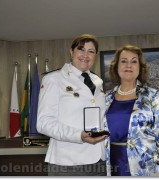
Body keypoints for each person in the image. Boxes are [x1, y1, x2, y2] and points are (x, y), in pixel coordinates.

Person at [37, 34, 107, 176]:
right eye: (81, 49)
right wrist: (78, 135)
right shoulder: (53, 79)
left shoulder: (97, 81)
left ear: (95, 55)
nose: (85, 55)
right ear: (71, 51)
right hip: (67, 162)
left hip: (99, 160)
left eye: (91, 51)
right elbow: (43, 123)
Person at [104, 45, 159, 176]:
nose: (128, 65)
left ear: (140, 67)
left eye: (134, 61)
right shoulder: (106, 98)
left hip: (145, 169)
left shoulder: (153, 96)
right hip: (112, 166)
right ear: (116, 66)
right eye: (124, 61)